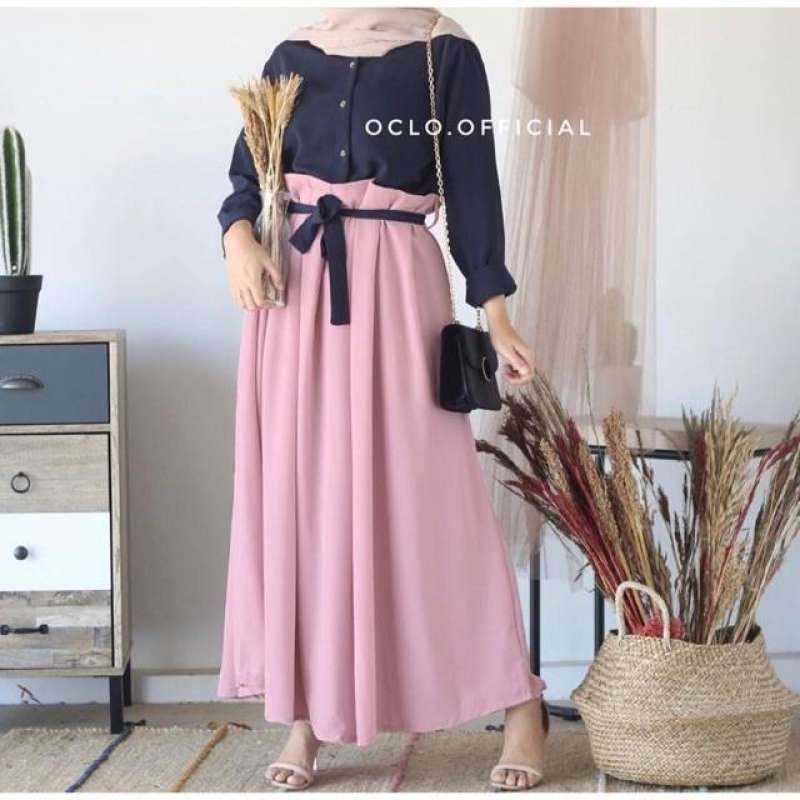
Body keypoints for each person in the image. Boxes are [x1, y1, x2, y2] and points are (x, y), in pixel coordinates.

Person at [217, 8, 547, 791]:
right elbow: (247, 176)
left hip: (398, 290)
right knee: (302, 502)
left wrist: (496, 314)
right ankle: (305, 715)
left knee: (432, 501)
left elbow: (472, 187)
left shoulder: (444, 54)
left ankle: (519, 700)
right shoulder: (293, 53)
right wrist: (238, 240)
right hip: (293, 292)